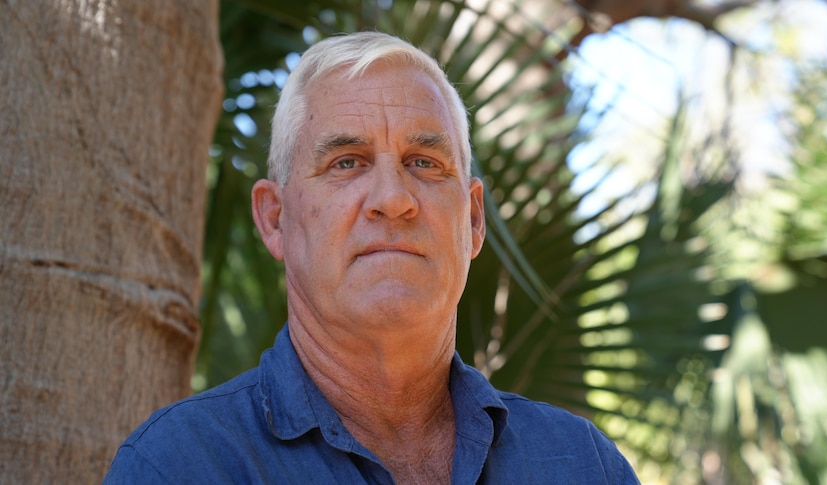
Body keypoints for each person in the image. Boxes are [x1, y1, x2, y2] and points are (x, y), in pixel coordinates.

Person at [104, 31, 639, 484]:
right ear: (275, 220)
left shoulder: (582, 465)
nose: (393, 199)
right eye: (346, 162)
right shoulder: (179, 466)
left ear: (473, 221)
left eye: (425, 162)